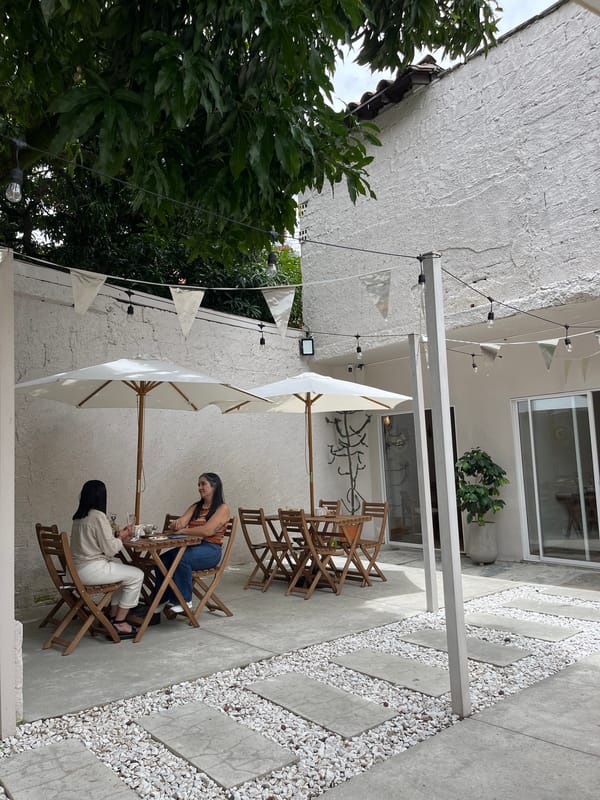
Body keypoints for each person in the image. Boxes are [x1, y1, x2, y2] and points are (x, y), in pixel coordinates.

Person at [71, 480, 144, 639]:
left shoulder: (78, 517)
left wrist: (117, 537)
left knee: (119, 567)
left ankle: (112, 615)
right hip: (91, 570)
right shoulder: (98, 516)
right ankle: (120, 622)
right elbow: (110, 549)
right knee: (137, 575)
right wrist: (123, 536)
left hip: (77, 570)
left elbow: (97, 543)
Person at [154, 472, 229, 616]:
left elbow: (207, 531)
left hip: (210, 550)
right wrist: (177, 525)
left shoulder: (222, 508)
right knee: (162, 561)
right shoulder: (196, 506)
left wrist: (185, 530)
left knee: (181, 558)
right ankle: (161, 599)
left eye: (203, 484)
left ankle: (184, 600)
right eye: (198, 485)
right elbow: (182, 521)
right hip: (192, 547)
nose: (200, 487)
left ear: (214, 486)